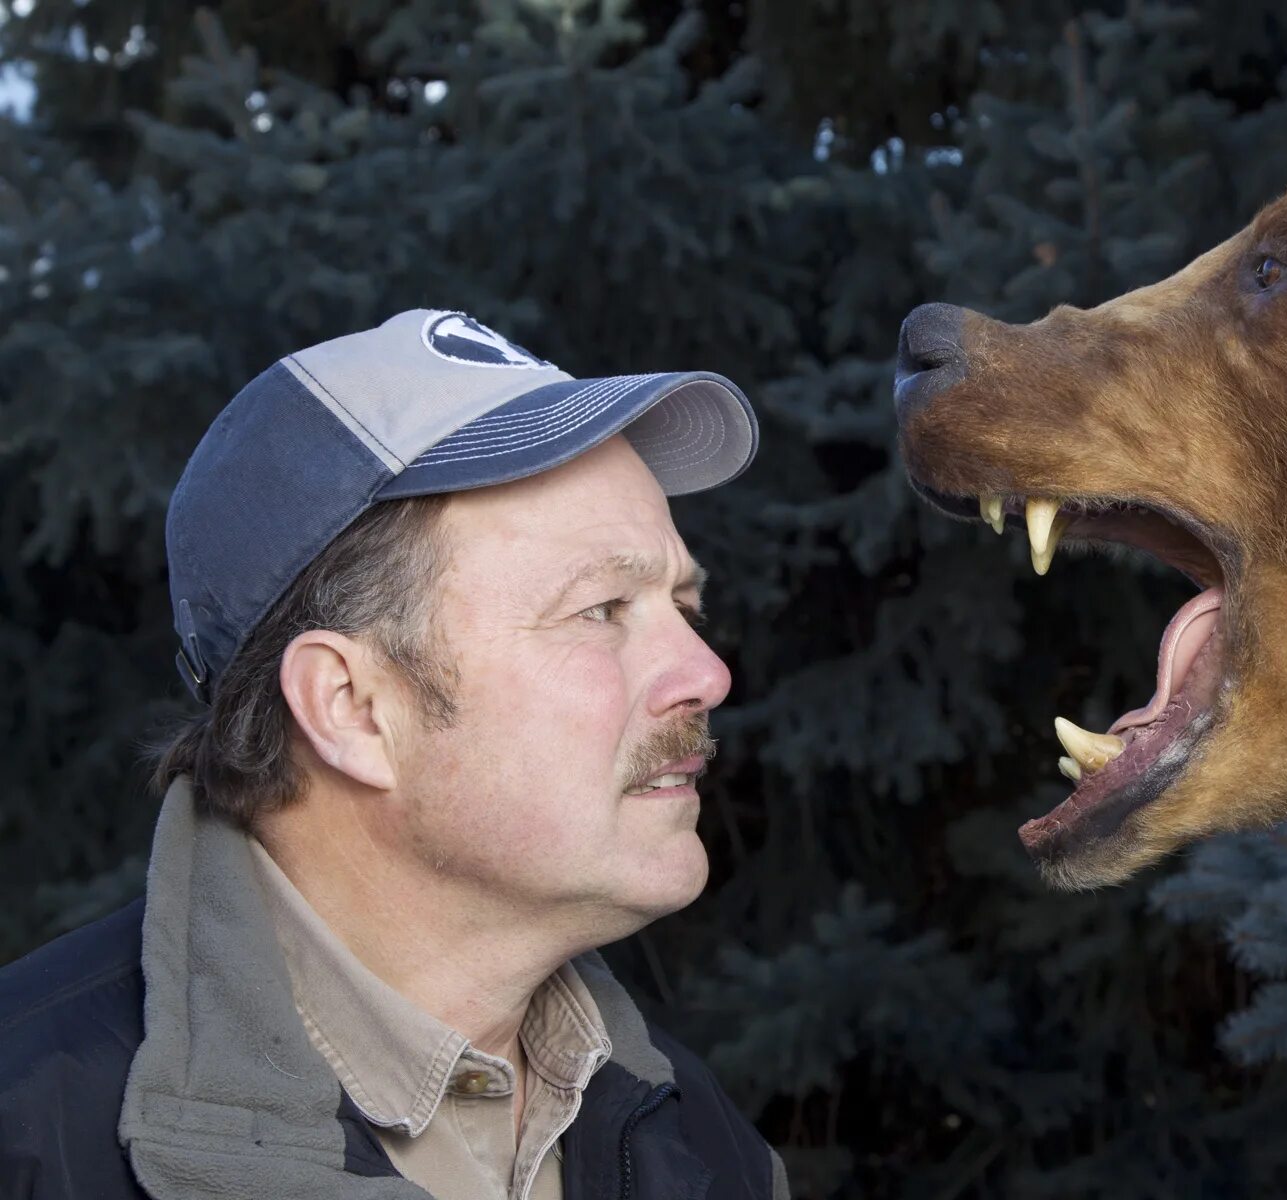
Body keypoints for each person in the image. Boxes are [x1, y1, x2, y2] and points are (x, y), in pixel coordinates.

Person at [0, 311, 788, 1200]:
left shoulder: (702, 1146)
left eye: (684, 605)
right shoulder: (33, 1140)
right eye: (601, 610)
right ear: (353, 709)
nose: (708, 672)